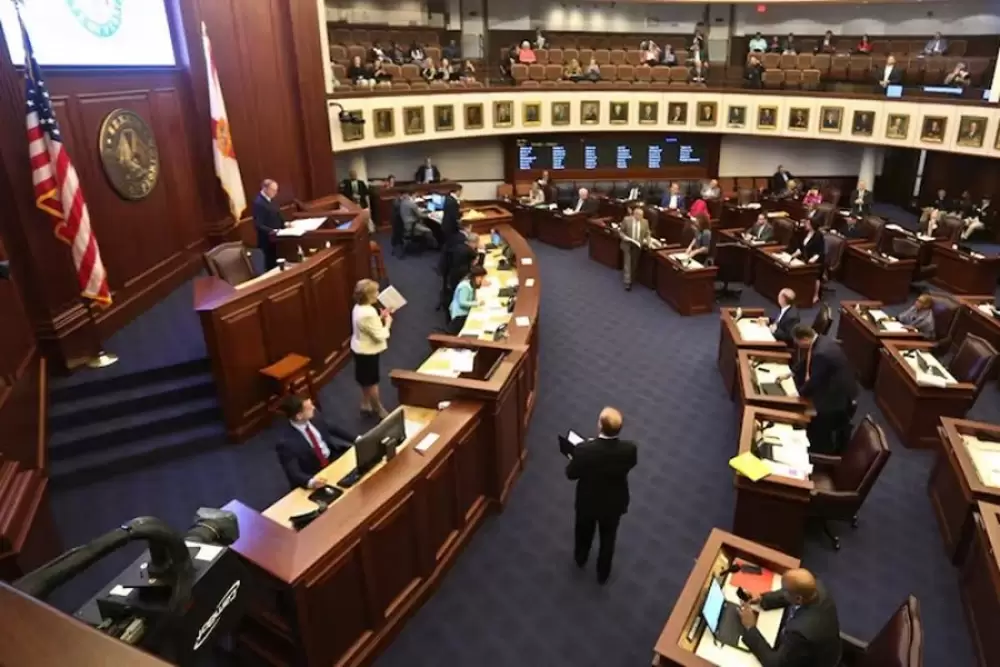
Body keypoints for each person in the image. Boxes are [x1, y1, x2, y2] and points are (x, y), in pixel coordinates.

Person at [565, 407, 638, 585]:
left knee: (583, 532)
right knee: (608, 538)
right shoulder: (629, 449)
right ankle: (602, 573)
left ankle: (581, 558)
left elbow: (571, 474)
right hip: (613, 503)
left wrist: (577, 455)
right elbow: (629, 464)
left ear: (600, 425)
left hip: (588, 502)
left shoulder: (583, 450)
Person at [738, 568, 842, 667]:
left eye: (784, 590)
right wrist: (762, 599)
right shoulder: (816, 588)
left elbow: (775, 665)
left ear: (798, 599)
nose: (782, 592)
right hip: (828, 648)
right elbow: (792, 593)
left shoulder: (799, 634)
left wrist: (750, 627)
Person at [785, 325, 858, 454]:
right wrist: (792, 372)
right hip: (837, 383)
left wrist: (798, 395)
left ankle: (815, 447)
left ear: (805, 339)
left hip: (836, 397)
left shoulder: (821, 354)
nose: (799, 347)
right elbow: (807, 359)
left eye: (799, 343)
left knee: (807, 413)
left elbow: (815, 380)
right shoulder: (820, 340)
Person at [275, 395, 356, 490]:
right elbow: (293, 472)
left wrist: (357, 439)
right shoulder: (285, 443)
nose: (314, 408)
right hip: (315, 473)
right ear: (299, 416)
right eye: (309, 408)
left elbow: (332, 427)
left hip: (332, 458)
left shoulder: (315, 416)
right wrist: (312, 482)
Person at [351, 279, 393, 418]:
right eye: (376, 292)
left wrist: (379, 317)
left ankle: (365, 403)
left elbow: (368, 327)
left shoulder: (359, 307)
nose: (378, 294)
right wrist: (387, 323)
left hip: (360, 348)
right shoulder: (368, 313)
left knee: (365, 380)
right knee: (372, 382)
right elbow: (380, 336)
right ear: (368, 295)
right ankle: (378, 408)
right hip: (367, 352)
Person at [788, 216, 825, 303]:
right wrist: (795, 254)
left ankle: (816, 295)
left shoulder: (818, 235)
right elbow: (802, 247)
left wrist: (814, 259)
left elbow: (820, 251)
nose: (805, 225)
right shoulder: (805, 233)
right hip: (805, 258)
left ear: (812, 225)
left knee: (815, 276)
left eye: (808, 223)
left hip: (816, 261)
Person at [252, 179, 286, 271]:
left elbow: (277, 214)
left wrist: (285, 224)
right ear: (265, 188)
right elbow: (258, 224)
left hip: (277, 237)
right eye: (273, 190)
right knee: (271, 263)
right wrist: (272, 231)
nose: (275, 193)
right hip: (268, 240)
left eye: (276, 190)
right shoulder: (258, 203)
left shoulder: (270, 199)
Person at [449, 265, 487, 333]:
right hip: (460, 316)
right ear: (475, 277)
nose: (482, 279)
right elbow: (462, 303)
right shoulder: (465, 286)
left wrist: (481, 284)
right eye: (481, 277)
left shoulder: (471, 282)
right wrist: (477, 303)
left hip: (466, 312)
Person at [619, 205, 650, 291]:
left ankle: (631, 277)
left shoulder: (645, 222)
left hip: (637, 245)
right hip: (627, 244)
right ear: (634, 215)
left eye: (642, 216)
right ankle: (627, 282)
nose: (641, 218)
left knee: (634, 263)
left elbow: (647, 233)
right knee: (627, 263)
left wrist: (648, 241)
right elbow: (621, 232)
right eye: (639, 216)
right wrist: (624, 237)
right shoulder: (626, 220)